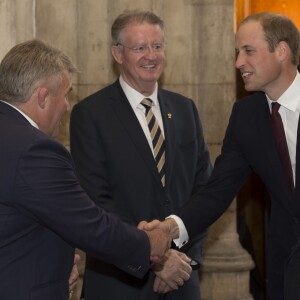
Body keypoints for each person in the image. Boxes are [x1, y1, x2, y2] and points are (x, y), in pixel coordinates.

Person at [142, 12, 300, 300]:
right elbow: (217, 191)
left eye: (248, 51)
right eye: (237, 52)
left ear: (282, 51)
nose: (238, 62)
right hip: (285, 269)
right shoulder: (245, 116)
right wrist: (169, 227)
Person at [0, 39, 171, 300]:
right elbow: (90, 224)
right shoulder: (34, 150)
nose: (67, 106)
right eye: (66, 94)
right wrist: (149, 244)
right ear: (44, 97)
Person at [70, 9, 212, 300]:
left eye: (157, 46)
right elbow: (95, 201)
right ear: (118, 53)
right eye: (140, 47)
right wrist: (156, 259)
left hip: (182, 279)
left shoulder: (185, 109)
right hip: (120, 282)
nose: (151, 55)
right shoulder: (91, 114)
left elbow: (206, 193)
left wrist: (181, 258)